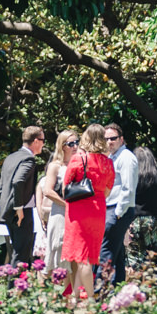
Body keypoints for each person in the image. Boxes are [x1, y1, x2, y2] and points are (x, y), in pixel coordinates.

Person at [61, 125, 115, 300]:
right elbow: (108, 191)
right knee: (88, 255)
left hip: (78, 211)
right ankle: (76, 296)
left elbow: (65, 188)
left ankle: (91, 298)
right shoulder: (108, 162)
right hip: (98, 211)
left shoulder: (78, 159)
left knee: (81, 257)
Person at [0, 126, 44, 266]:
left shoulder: (11, 157)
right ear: (35, 141)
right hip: (21, 211)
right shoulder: (28, 159)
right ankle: (16, 287)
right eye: (42, 140)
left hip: (8, 209)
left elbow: (2, 185)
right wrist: (19, 208)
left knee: (18, 250)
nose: (43, 144)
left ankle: (15, 285)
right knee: (22, 252)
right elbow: (18, 181)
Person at [100, 124, 138, 288]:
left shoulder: (126, 158)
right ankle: (118, 288)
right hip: (111, 208)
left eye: (113, 138)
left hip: (118, 209)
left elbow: (128, 188)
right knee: (117, 253)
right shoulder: (113, 157)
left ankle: (99, 289)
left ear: (121, 139)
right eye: (106, 139)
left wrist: (117, 213)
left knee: (106, 250)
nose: (109, 142)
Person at [36, 129, 77, 264]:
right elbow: (47, 191)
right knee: (57, 251)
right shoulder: (55, 166)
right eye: (71, 144)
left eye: (77, 142)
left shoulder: (79, 163)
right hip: (60, 212)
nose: (75, 147)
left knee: (74, 256)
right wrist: (66, 204)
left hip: (77, 213)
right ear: (62, 146)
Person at [130, 145, 157, 267]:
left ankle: (133, 282)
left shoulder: (132, 177)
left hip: (133, 219)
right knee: (154, 255)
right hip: (153, 219)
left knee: (134, 255)